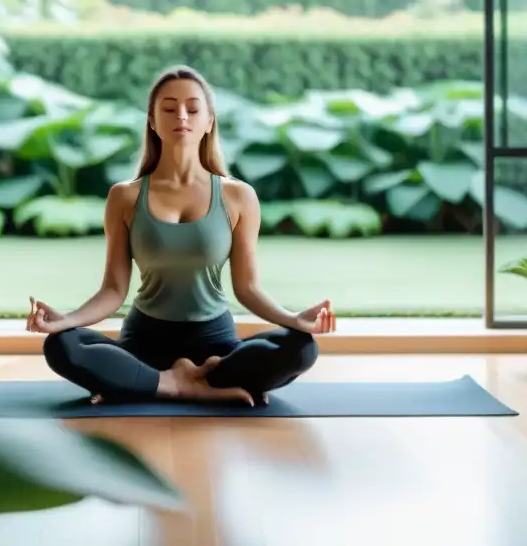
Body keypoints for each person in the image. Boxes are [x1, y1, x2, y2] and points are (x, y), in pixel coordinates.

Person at [27, 65, 336, 407]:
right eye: (169, 108)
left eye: (193, 108)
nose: (182, 116)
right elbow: (114, 289)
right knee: (61, 345)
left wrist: (294, 320)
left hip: (215, 348)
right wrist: (66, 320)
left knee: (302, 347)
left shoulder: (238, 197)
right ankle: (175, 384)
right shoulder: (124, 197)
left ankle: (147, 385)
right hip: (143, 345)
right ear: (152, 121)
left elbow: (247, 288)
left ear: (209, 122)